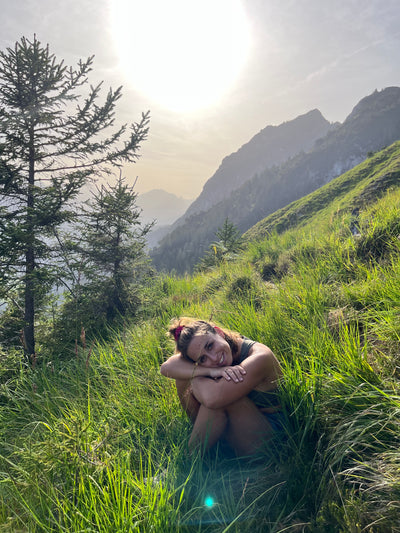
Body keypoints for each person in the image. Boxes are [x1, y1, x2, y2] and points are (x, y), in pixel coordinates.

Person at [160, 317, 283, 457]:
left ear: (219, 333)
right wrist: (210, 371)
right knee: (183, 377)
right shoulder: (213, 361)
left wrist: (196, 377)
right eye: (202, 359)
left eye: (210, 346)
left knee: (216, 401)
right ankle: (205, 438)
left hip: (272, 437)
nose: (213, 358)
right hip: (239, 425)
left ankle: (187, 461)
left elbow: (213, 399)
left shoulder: (260, 356)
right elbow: (167, 368)